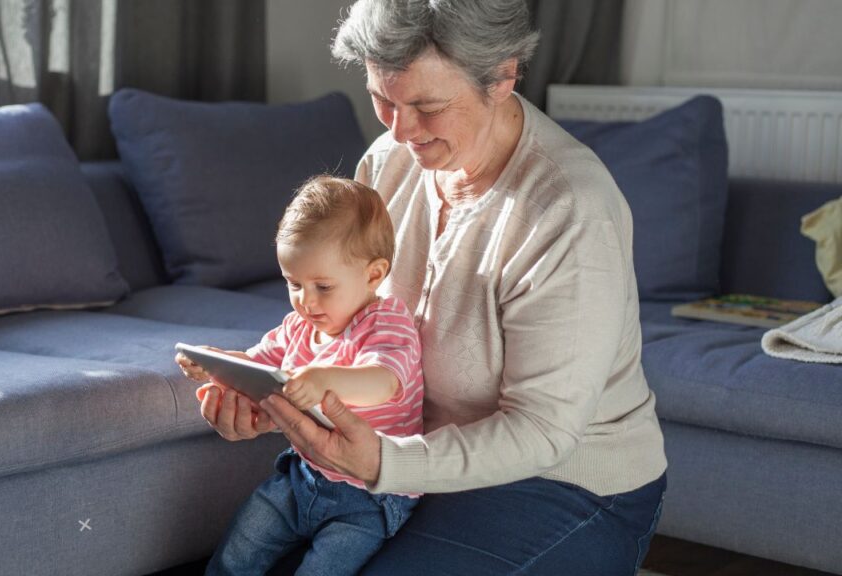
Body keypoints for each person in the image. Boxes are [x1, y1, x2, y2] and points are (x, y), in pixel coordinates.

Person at [195, 0, 668, 573]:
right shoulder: (389, 161)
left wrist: (386, 463)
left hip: (563, 481)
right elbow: (349, 329)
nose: (399, 129)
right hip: (410, 470)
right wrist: (277, 400)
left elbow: (544, 431)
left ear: (503, 76)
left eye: (426, 105)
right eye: (382, 99)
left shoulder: (568, 207)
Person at [177, 176, 424, 576]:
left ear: (374, 275)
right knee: (237, 552)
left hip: (371, 497)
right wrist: (217, 363)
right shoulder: (298, 326)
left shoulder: (386, 321)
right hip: (302, 475)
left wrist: (323, 379)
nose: (306, 301)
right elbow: (258, 365)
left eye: (323, 286)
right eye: (294, 284)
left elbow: (384, 381)